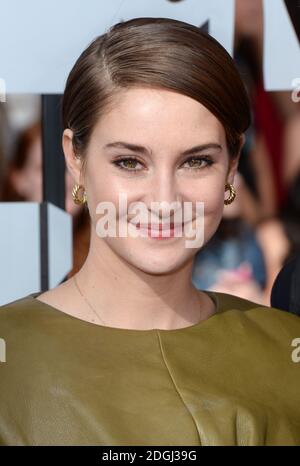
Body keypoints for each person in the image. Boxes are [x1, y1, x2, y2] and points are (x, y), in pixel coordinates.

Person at [1, 17, 300, 446]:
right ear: (75, 159)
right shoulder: (10, 363)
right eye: (130, 162)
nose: (164, 201)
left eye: (196, 161)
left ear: (232, 167)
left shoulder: (287, 348)